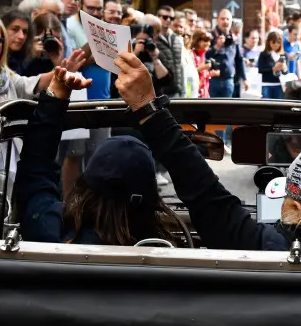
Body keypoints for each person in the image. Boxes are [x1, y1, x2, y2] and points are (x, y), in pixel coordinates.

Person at [113, 51, 301, 251]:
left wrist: (147, 107)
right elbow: (204, 193)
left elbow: (204, 191)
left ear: (296, 207)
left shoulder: (270, 246)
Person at [14, 65, 184, 246]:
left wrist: (54, 99)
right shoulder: (171, 253)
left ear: (86, 186)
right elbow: (209, 201)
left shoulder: (51, 230)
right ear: (151, 195)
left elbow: (36, 169)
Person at [207, 9, 248, 97]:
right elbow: (205, 56)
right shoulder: (210, 36)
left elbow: (239, 60)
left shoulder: (234, 38)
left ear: (231, 21)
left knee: (227, 109)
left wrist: (244, 79)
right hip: (212, 80)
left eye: (227, 19)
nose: (225, 21)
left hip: (228, 81)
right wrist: (216, 47)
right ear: (217, 20)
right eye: (222, 19)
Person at [0, 7, 33, 74]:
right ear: (2, 29)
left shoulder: (23, 57)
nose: (22, 36)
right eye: (15, 29)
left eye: (25, 32)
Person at [257, 31, 288, 99]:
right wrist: (273, 69)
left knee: (279, 106)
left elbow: (286, 73)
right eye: (273, 42)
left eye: (278, 42)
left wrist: (284, 68)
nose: (276, 44)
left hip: (280, 84)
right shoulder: (263, 54)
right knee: (266, 106)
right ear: (269, 42)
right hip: (266, 84)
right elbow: (260, 70)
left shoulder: (284, 55)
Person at [191, 30, 217, 99]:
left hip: (204, 93)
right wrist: (202, 68)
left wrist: (209, 74)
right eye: (205, 41)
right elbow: (189, 74)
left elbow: (203, 75)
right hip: (194, 94)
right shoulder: (191, 54)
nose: (208, 43)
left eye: (209, 41)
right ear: (197, 41)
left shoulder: (203, 54)